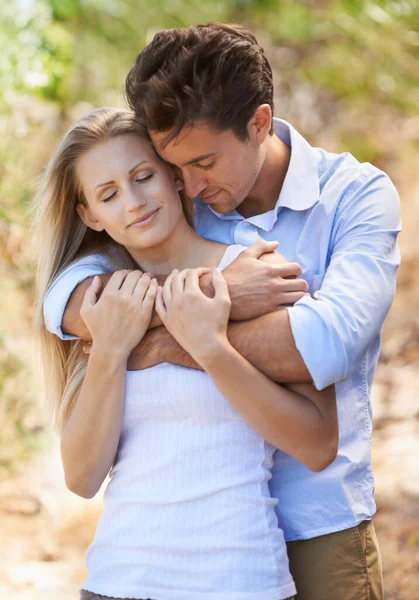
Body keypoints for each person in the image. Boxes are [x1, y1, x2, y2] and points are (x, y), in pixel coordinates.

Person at [43, 23, 401, 600]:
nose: (185, 184)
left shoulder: (348, 201)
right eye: (171, 166)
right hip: (133, 570)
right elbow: (69, 300)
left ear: (258, 124)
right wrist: (215, 294)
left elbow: (323, 345)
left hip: (311, 523)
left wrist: (167, 337)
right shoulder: (169, 219)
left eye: (198, 164)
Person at [35, 107, 338, 600]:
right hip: (120, 581)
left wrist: (210, 346)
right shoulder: (97, 307)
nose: (133, 203)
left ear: (175, 175)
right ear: (90, 215)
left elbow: (318, 445)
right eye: (109, 195)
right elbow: (83, 477)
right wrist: (111, 349)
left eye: (143, 177)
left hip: (241, 580)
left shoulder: (259, 272)